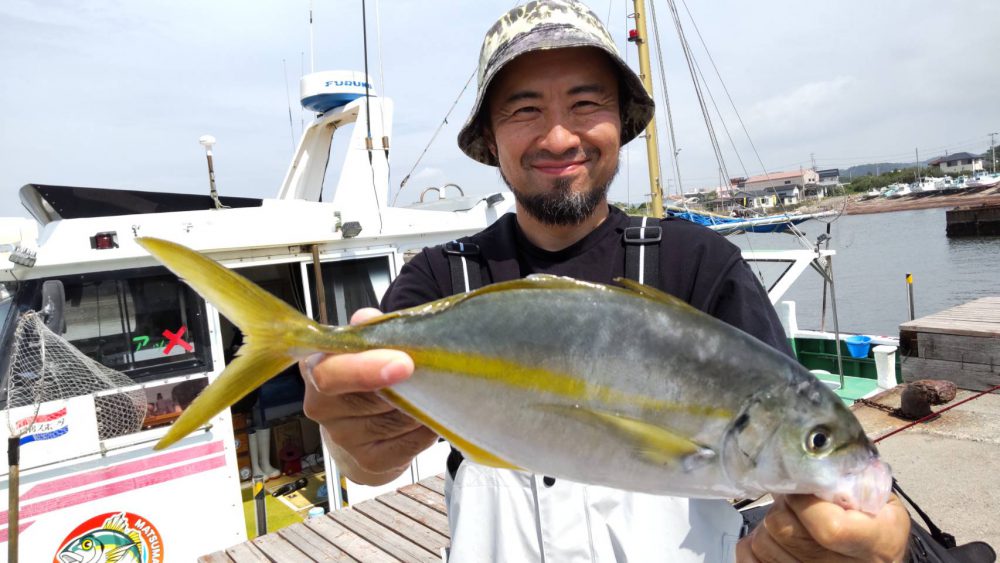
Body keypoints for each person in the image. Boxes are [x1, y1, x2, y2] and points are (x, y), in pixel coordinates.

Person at [301, 1, 911, 561]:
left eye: (586, 104)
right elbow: (371, 463)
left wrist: (832, 542)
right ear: (490, 136)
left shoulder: (699, 264)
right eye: (525, 109)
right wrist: (359, 444)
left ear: (621, 121)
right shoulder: (442, 277)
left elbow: (790, 466)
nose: (559, 136)